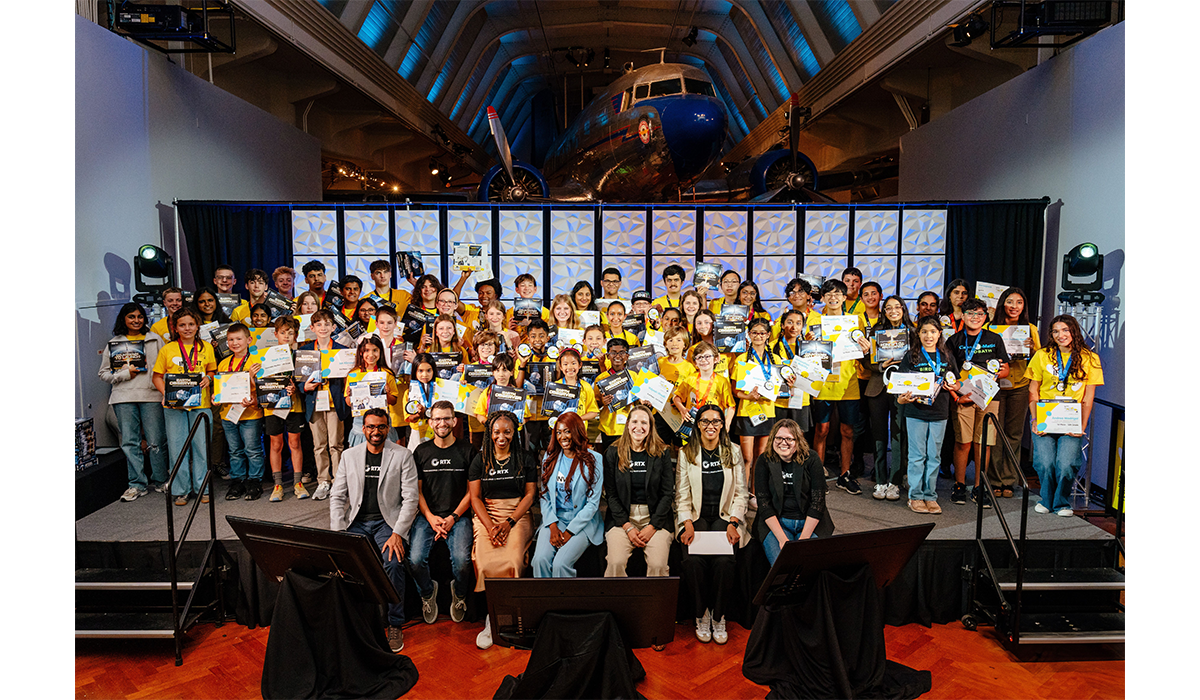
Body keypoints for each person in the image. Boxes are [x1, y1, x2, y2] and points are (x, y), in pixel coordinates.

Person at [329, 408, 419, 653]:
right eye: (370, 426)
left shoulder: (402, 455)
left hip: (387, 523)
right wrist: (338, 532)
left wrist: (397, 533)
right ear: (363, 429)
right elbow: (337, 496)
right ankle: (352, 622)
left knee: (393, 562)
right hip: (357, 523)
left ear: (388, 428)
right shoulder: (349, 455)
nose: (375, 431)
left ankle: (395, 623)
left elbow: (411, 499)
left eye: (380, 426)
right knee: (342, 565)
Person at [675, 404, 749, 644]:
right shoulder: (686, 453)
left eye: (716, 421)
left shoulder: (733, 451)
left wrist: (734, 522)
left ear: (722, 425)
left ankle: (719, 615)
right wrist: (686, 522)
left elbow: (741, 493)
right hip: (695, 516)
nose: (710, 426)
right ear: (698, 425)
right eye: (705, 421)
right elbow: (682, 495)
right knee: (692, 561)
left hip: (725, 517)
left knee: (725, 562)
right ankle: (701, 614)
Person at [469, 410, 538, 649]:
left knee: (512, 561)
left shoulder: (525, 458)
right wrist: (490, 527)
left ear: (514, 433)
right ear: (489, 433)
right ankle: (493, 618)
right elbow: (475, 498)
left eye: (507, 432)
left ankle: (514, 618)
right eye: (496, 432)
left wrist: (509, 523)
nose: (501, 437)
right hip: (487, 515)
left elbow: (530, 495)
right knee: (485, 563)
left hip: (517, 514)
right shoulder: (480, 460)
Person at [1026, 315, 1103, 517]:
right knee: (1045, 463)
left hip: (1071, 420)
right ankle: (1046, 500)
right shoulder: (1042, 355)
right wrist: (1034, 419)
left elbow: (1088, 397)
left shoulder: (1090, 359)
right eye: (1055, 331)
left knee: (1067, 464)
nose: (1060, 335)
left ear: (1074, 331)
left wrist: (1081, 426)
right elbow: (1033, 391)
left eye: (1065, 330)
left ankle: (1061, 503)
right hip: (1044, 417)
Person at [409, 401, 476, 626]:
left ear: (455, 421)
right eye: (437, 419)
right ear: (430, 422)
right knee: (415, 560)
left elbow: (472, 492)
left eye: (447, 418)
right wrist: (430, 517)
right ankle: (428, 593)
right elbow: (417, 492)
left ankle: (460, 594)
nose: (442, 423)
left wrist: (453, 517)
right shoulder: (421, 451)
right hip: (427, 517)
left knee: (462, 562)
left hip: (458, 517)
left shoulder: (467, 450)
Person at [100, 302, 168, 501]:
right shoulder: (114, 343)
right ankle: (137, 484)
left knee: (156, 441)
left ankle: (161, 480)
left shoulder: (155, 339)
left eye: (139, 316)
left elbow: (165, 368)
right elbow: (103, 374)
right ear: (124, 319)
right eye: (131, 317)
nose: (136, 320)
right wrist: (124, 374)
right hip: (123, 397)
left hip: (151, 396)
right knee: (130, 442)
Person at [947, 298, 1011, 507]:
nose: (975, 317)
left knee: (983, 442)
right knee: (963, 442)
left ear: (985, 317)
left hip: (989, 397)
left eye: (979, 314)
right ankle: (959, 485)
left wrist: (1000, 372)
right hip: (964, 396)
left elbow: (1006, 369)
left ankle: (979, 486)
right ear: (963, 316)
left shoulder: (995, 339)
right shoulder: (954, 341)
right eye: (970, 313)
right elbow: (947, 373)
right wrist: (957, 396)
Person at [151, 307, 218, 506]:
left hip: (201, 404)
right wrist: (166, 394)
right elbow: (157, 377)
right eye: (182, 325)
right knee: (177, 448)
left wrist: (208, 378)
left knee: (202, 447)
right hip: (174, 406)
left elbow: (212, 371)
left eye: (191, 324)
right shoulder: (167, 349)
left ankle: (203, 488)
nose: (187, 328)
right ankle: (181, 490)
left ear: (197, 326)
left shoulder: (206, 347)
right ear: (175, 328)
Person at [811, 279, 871, 496]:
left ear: (845, 297)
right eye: (828, 294)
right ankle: (817, 474)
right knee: (822, 429)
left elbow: (862, 351)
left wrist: (866, 349)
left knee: (848, 431)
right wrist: (808, 342)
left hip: (848, 382)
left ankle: (845, 475)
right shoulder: (814, 320)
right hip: (823, 382)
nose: (833, 297)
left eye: (837, 294)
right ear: (823, 298)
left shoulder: (856, 321)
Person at [896, 316, 962, 514]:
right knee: (917, 456)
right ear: (918, 334)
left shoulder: (947, 356)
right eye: (924, 332)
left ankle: (930, 495)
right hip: (915, 412)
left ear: (939, 334)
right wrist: (902, 399)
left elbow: (957, 382)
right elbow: (900, 387)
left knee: (934, 456)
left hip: (940, 412)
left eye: (933, 332)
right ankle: (915, 496)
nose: (928, 336)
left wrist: (954, 386)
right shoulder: (911, 356)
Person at [602, 403, 674, 579]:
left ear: (650, 427)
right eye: (634, 422)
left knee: (658, 565)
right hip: (622, 518)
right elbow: (611, 495)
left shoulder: (662, 453)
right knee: (615, 563)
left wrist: (652, 526)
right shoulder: (613, 452)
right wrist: (627, 527)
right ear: (627, 424)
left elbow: (667, 494)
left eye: (644, 423)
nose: (639, 427)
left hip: (656, 517)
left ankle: (654, 599)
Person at [532, 412, 604, 578]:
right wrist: (552, 526)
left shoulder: (595, 459)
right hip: (555, 519)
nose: (562, 436)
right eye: (558, 432)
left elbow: (593, 504)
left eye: (567, 431)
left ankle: (564, 596)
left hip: (582, 523)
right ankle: (544, 596)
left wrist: (569, 532)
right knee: (539, 560)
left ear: (577, 431)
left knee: (560, 564)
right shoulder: (549, 458)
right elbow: (545, 496)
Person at [754, 419, 833, 566]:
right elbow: (764, 503)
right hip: (778, 523)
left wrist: (803, 540)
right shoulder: (764, 460)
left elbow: (818, 502)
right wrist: (782, 539)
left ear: (797, 441)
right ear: (772, 439)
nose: (783, 443)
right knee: (783, 566)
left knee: (807, 566)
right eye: (779, 438)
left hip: (809, 523)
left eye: (789, 439)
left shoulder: (812, 459)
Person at [987, 286, 1040, 498]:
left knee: (1014, 434)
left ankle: (1009, 480)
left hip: (1020, 386)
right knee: (995, 433)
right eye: (1010, 302)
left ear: (1024, 306)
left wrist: (1032, 349)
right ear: (1003, 304)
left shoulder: (1031, 329)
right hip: (995, 386)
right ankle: (994, 479)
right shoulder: (990, 328)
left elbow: (1040, 361)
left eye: (1019, 302)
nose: (1014, 306)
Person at [862, 295, 915, 501]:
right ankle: (880, 480)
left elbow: (919, 359)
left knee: (899, 435)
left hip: (902, 388)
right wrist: (880, 365)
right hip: (878, 388)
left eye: (897, 307)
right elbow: (866, 360)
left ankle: (895, 482)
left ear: (903, 309)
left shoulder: (912, 332)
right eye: (889, 308)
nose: (893, 311)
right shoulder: (876, 331)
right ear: (884, 311)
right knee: (879, 435)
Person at [300, 309, 352, 500]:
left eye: (327, 324)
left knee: (336, 444)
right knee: (319, 445)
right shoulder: (305, 351)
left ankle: (338, 481)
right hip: (314, 403)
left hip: (334, 403)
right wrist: (304, 386)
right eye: (318, 324)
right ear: (312, 328)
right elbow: (298, 379)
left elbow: (350, 376)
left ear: (333, 327)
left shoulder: (342, 350)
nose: (323, 328)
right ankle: (323, 480)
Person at [216, 323, 265, 500]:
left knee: (252, 449)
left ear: (249, 340)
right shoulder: (224, 363)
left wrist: (250, 378)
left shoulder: (256, 362)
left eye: (239, 339)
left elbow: (263, 389)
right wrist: (216, 396)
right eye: (230, 339)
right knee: (234, 451)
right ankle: (238, 480)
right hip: (228, 414)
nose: (235, 343)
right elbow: (220, 389)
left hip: (250, 413)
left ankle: (254, 481)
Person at [262, 316, 307, 502]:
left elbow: (305, 380)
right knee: (276, 444)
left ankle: (298, 482)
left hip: (295, 405)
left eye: (290, 333)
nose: (286, 336)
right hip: (273, 407)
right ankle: (278, 484)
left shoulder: (300, 356)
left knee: (295, 443)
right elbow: (261, 382)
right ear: (275, 334)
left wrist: (296, 387)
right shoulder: (267, 355)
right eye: (282, 333)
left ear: (296, 335)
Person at [731, 317, 778, 485]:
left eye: (762, 333)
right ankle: (742, 494)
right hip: (746, 411)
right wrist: (748, 397)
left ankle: (756, 493)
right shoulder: (741, 359)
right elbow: (735, 390)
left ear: (768, 335)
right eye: (754, 333)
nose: (758, 336)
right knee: (747, 457)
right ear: (749, 334)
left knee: (761, 457)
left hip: (767, 411)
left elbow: (780, 389)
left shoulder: (776, 360)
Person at [343, 336, 400, 446]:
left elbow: (393, 401)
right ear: (360, 352)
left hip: (382, 421)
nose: (371, 354)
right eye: (366, 350)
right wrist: (350, 396)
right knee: (360, 453)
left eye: (375, 350)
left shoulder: (387, 373)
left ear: (380, 351)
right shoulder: (353, 374)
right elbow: (349, 402)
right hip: (360, 423)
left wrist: (387, 393)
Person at [673, 340, 736, 434]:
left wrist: (727, 423)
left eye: (707, 356)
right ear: (695, 362)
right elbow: (676, 397)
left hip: (713, 426)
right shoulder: (690, 379)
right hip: (693, 425)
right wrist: (682, 409)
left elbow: (731, 406)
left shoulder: (722, 381)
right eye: (699, 357)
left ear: (716, 359)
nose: (703, 360)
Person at [594, 338, 633, 452]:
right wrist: (603, 402)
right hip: (608, 428)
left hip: (629, 428)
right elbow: (596, 404)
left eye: (621, 353)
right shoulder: (601, 379)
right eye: (613, 353)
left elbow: (639, 402)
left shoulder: (634, 376)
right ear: (608, 356)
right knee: (610, 460)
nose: (617, 356)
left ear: (627, 356)